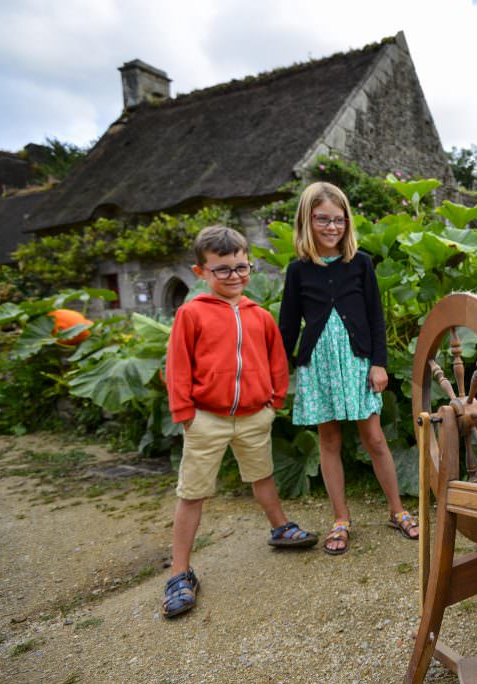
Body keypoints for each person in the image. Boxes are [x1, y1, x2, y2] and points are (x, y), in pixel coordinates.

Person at [163, 226, 318, 619]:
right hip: (206, 419)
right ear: (201, 272)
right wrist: (185, 415)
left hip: (253, 416)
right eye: (223, 270)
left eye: (241, 267)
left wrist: (273, 402)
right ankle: (180, 572)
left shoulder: (260, 316)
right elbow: (178, 365)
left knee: (262, 476)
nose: (234, 276)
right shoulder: (190, 313)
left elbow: (276, 361)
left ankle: (279, 528)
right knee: (193, 493)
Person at [278, 181, 418, 555]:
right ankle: (340, 518)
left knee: (374, 438)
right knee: (329, 441)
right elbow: (287, 326)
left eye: (338, 220)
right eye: (322, 219)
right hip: (320, 367)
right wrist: (276, 371)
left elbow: (375, 317)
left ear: (347, 223)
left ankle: (398, 510)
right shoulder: (298, 271)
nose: (331, 227)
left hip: (358, 363)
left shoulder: (361, 264)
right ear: (308, 220)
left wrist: (379, 364)